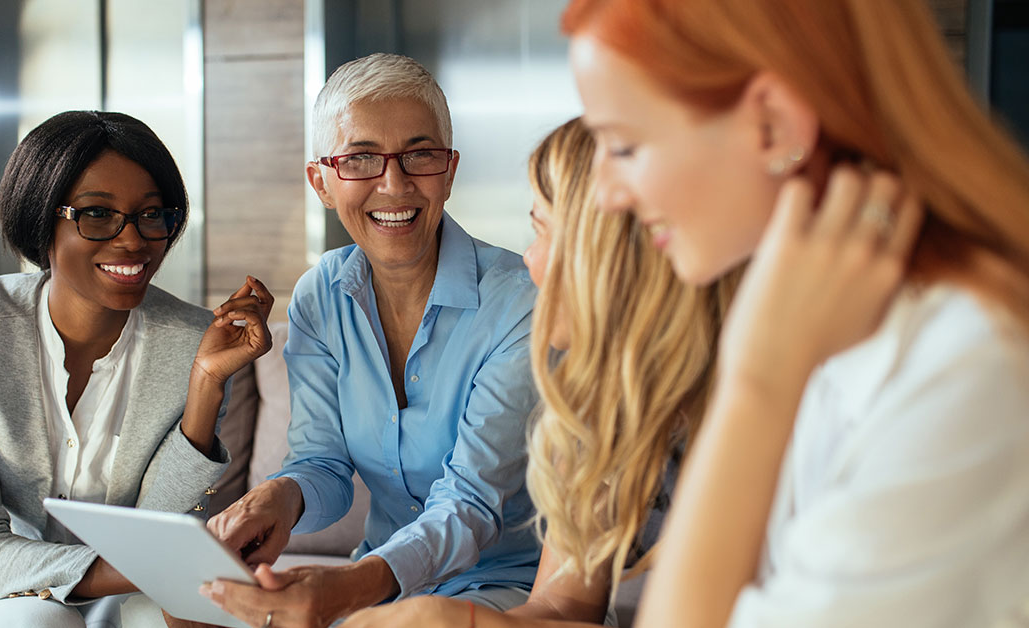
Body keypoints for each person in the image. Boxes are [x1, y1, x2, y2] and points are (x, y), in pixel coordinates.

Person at [561, 1, 1029, 627]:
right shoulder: (833, 321)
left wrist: (757, 384)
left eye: (623, 145)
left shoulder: (970, 370)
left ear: (775, 125)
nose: (604, 194)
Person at [174, 53, 542, 628]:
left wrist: (350, 588)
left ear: (448, 171)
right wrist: (278, 498)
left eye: (419, 155)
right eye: (361, 158)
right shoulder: (322, 293)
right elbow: (322, 462)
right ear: (322, 181)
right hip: (380, 590)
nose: (393, 184)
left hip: (506, 590)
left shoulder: (519, 300)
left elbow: (471, 503)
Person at [0, 110, 274, 628]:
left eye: (152, 214)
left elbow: (155, 526)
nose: (133, 240)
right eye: (98, 214)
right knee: (38, 624)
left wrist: (206, 386)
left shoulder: (197, 340)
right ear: (42, 220)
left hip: (116, 588)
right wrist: (166, 569)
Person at [342, 118, 739, 627]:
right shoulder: (599, 413)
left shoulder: (750, 410)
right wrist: (444, 619)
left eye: (544, 230)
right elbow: (562, 606)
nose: (529, 258)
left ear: (614, 256)